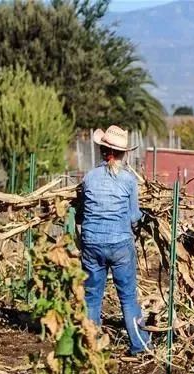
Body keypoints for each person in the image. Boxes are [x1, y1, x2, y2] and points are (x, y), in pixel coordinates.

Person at [77, 125, 152, 355]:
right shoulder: (129, 180)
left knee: (92, 296)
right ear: (124, 153)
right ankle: (139, 345)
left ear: (102, 150)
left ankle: (91, 346)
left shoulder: (89, 178)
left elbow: (81, 212)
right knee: (128, 297)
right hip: (120, 243)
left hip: (92, 243)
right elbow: (133, 217)